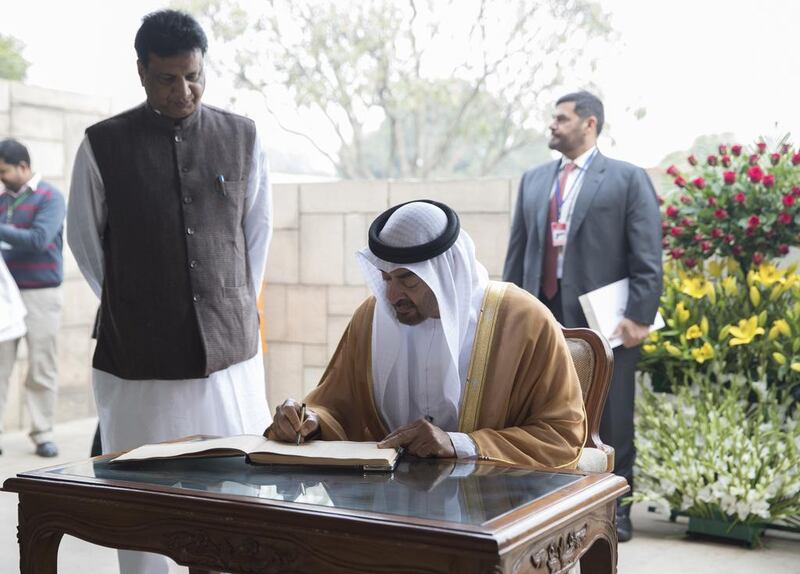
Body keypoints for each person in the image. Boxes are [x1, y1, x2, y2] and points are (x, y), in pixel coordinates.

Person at [67, 10, 272, 573]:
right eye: (166, 79)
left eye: (193, 76)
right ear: (141, 72)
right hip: (138, 365)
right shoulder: (101, 145)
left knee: (234, 496)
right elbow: (84, 242)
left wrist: (228, 307)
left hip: (230, 362)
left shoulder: (243, 136)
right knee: (143, 504)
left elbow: (257, 233)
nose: (183, 90)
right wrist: (138, 306)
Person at [268, 200, 586, 469]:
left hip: (491, 505)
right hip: (386, 505)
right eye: (385, 278)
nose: (392, 296)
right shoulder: (370, 319)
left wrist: (458, 444)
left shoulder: (523, 321)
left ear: (444, 273)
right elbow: (336, 406)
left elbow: (561, 436)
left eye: (408, 280)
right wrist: (308, 421)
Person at [502, 91, 663, 541]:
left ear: (589, 124)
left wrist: (639, 316)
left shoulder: (627, 179)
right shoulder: (533, 181)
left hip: (605, 325)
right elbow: (518, 254)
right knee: (537, 408)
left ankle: (618, 506)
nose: (553, 125)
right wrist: (507, 313)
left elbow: (648, 253)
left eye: (562, 118)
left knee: (613, 416)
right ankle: (544, 497)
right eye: (553, 118)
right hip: (542, 320)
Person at [0, 139, 65, 458]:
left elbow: (39, 239)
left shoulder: (50, 197)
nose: (1, 178)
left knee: (42, 366)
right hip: (5, 297)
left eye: (4, 171)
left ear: (23, 166)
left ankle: (43, 434)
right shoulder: (1, 201)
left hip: (42, 294)